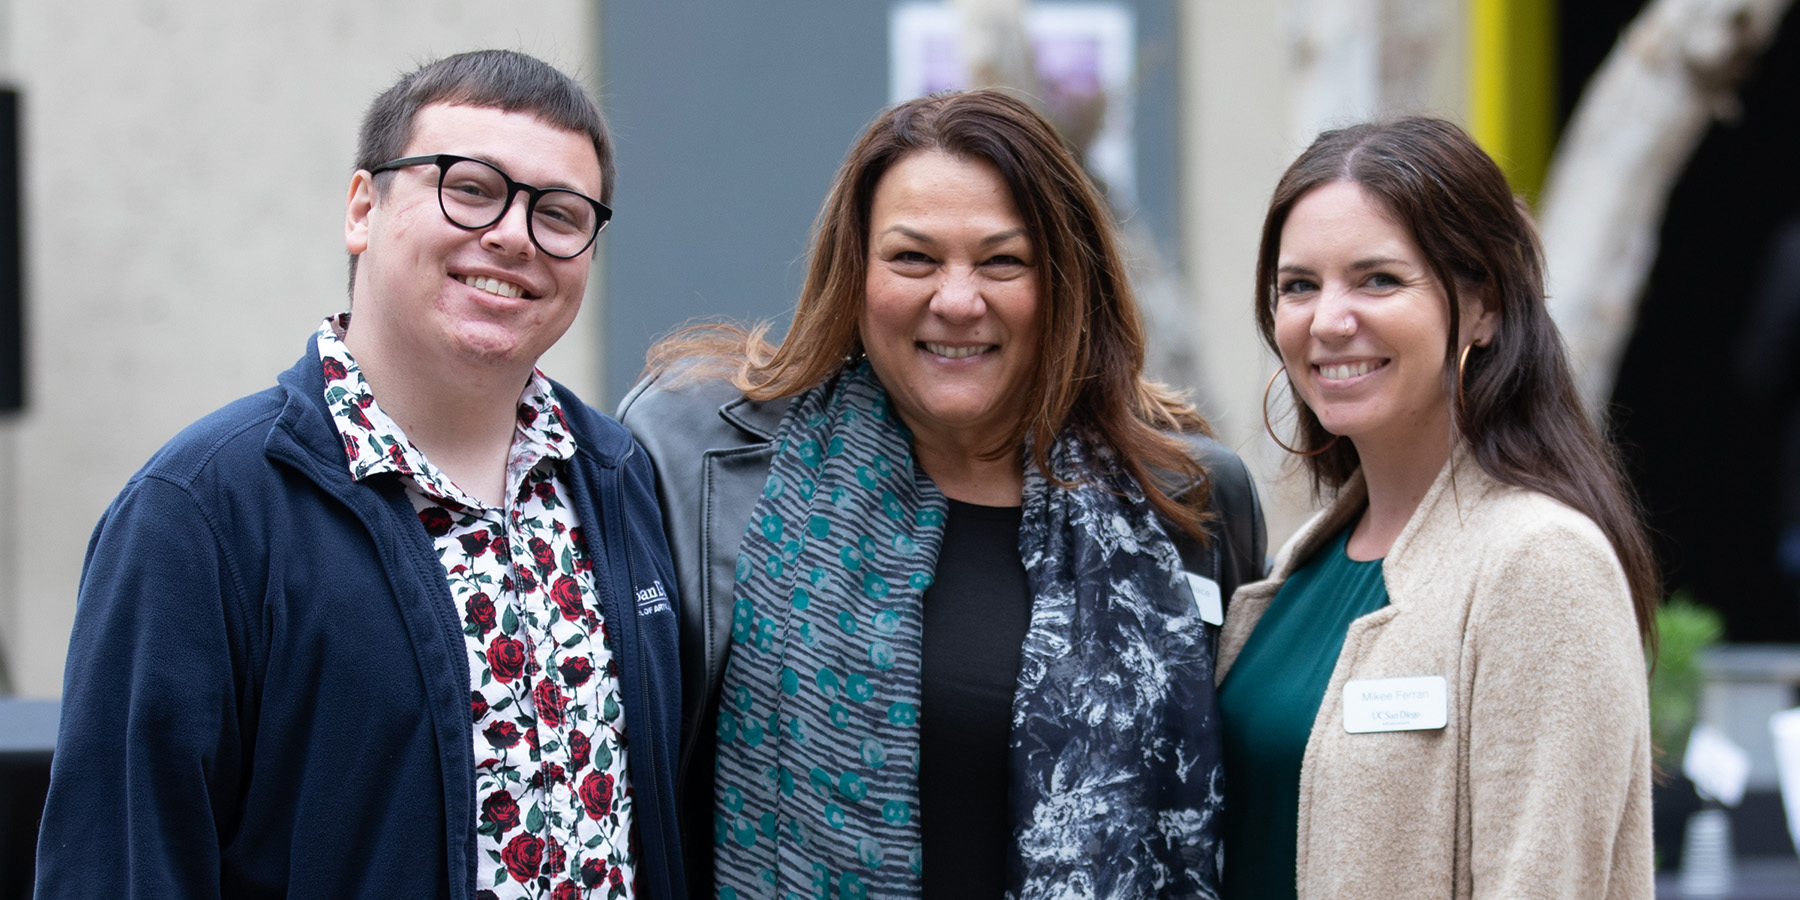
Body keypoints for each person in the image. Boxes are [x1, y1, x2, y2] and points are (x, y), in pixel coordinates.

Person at [35, 50, 685, 900]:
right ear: (362, 207)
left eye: (560, 213)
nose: (515, 236)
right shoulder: (200, 512)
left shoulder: (614, 474)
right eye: (471, 187)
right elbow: (119, 863)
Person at [618, 89, 1265, 900]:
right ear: (855, 275)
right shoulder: (701, 462)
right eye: (914, 259)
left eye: (1002, 261)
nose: (957, 301)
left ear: (1064, 281)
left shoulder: (1186, 502)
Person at [1216, 116, 1658, 900]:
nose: (1328, 320)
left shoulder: (1542, 563)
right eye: (1298, 286)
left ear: (1483, 306)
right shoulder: (1301, 565)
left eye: (1379, 279)